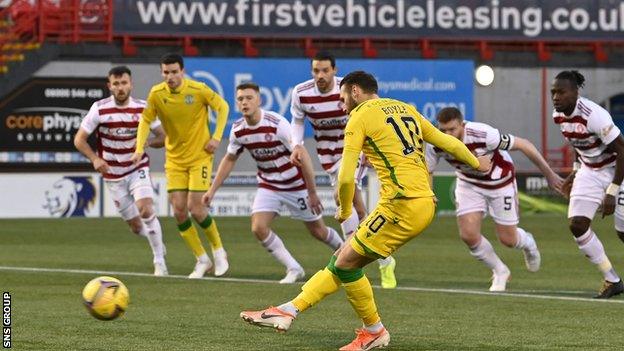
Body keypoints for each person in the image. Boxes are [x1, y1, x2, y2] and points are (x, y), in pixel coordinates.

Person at [240, 71, 491, 350]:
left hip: (401, 205)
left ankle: (374, 330)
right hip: (420, 203)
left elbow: (346, 178)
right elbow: (448, 142)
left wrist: (344, 209)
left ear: (355, 91)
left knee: (347, 264)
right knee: (343, 257)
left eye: (343, 97)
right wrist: (475, 162)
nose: (341, 103)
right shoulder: (406, 109)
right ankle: (288, 310)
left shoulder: (359, 116)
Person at [202, 82, 344, 283]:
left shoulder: (277, 124)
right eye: (240, 99)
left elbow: (302, 154)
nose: (245, 102)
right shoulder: (238, 130)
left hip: (296, 185)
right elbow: (229, 159)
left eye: (249, 98)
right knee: (258, 227)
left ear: (259, 100)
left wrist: (312, 193)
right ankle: (294, 268)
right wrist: (212, 191)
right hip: (269, 185)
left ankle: (347, 253)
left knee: (318, 231)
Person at [290, 52, 397, 289]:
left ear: (334, 70)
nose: (320, 75)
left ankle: (351, 254)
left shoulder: (347, 89)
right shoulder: (301, 93)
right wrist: (296, 144)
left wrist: (369, 148)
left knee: (342, 195)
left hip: (354, 150)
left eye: (325, 70)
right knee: (357, 209)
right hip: (329, 157)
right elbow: (297, 120)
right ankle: (385, 259)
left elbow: (369, 113)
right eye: (316, 70)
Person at [426, 107, 563, 291]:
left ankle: (528, 243)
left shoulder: (483, 134)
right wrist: (429, 193)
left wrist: (549, 174)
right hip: (469, 184)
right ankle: (500, 270)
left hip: (500, 182)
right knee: (468, 234)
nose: (447, 134)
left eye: (452, 129)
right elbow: (428, 169)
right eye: (444, 130)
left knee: (508, 239)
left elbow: (524, 144)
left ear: (462, 124)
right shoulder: (435, 141)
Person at [130, 53, 229, 279]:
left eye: (174, 72)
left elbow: (222, 107)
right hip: (174, 159)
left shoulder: (198, 89)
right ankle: (202, 259)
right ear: (162, 72)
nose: (170, 76)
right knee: (179, 212)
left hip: (199, 157)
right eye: (166, 72)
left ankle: (219, 251)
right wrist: (138, 149)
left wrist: (216, 137)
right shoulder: (157, 94)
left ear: (182, 71)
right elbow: (145, 120)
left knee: (196, 207)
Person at [74, 65, 168, 276]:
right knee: (136, 227)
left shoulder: (143, 108)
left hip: (137, 168)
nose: (120, 88)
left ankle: (159, 261)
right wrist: (95, 158)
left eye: (124, 83)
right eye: (116, 84)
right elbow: (79, 140)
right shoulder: (99, 108)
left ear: (131, 84)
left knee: (146, 209)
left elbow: (163, 137)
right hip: (112, 175)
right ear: (109, 86)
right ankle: (157, 242)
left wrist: (144, 144)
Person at [552, 70, 624, 298]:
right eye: (553, 92)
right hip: (589, 171)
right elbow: (577, 143)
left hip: (616, 170)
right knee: (577, 225)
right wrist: (574, 173)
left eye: (561, 92)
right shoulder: (559, 115)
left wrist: (612, 192)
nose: (556, 97)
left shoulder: (595, 115)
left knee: (623, 233)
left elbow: (622, 151)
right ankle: (612, 280)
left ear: (575, 93)